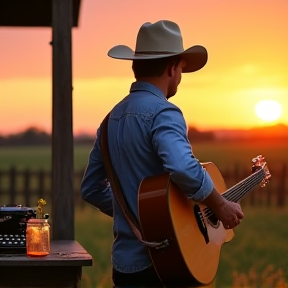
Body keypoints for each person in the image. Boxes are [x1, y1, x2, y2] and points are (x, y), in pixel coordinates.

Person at [81, 20, 244, 287]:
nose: (180, 75)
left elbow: (90, 189)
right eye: (181, 68)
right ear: (171, 68)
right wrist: (220, 204)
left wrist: (146, 212)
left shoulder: (109, 121)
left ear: (136, 66)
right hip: (164, 268)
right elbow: (182, 167)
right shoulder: (163, 112)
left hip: (125, 267)